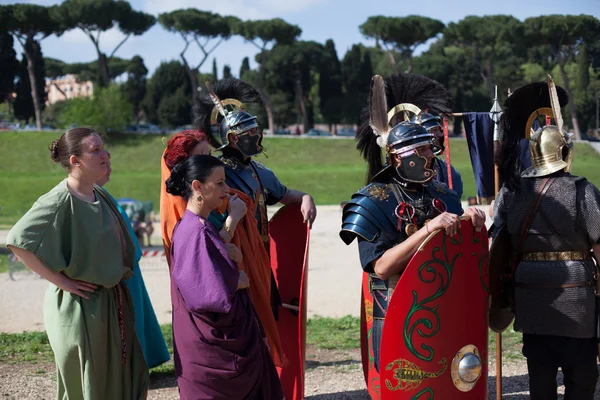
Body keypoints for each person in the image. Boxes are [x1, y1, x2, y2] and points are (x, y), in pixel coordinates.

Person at [340, 73, 486, 372]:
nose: (430, 156)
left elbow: (454, 242)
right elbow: (380, 267)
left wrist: (469, 221)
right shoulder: (372, 200)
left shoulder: (442, 193)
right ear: (397, 157)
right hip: (395, 305)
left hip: (442, 304)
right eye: (420, 150)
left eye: (429, 148)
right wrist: (429, 229)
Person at [6, 127, 148, 399]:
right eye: (95, 150)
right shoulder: (60, 199)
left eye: (103, 148)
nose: (105, 155)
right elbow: (17, 241)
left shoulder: (99, 194)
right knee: (89, 387)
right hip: (81, 308)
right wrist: (61, 281)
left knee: (122, 381)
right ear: (75, 160)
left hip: (110, 302)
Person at [493, 80, 600, 400]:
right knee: (582, 374)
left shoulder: (511, 190)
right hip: (576, 293)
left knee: (540, 375)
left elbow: (499, 242)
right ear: (563, 152)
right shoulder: (582, 190)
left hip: (529, 290)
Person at [160, 129, 285, 366]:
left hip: (237, 284)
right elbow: (200, 254)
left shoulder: (219, 196)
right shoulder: (180, 207)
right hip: (218, 299)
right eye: (201, 155)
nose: (209, 160)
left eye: (210, 153)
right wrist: (232, 222)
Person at [193, 78, 317, 250]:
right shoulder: (217, 173)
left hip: (261, 252)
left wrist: (306, 198)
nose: (258, 135)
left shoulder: (260, 171)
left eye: (257, 130)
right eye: (251, 131)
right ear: (233, 138)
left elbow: (286, 195)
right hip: (235, 252)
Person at [96, 152, 170, 369]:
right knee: (127, 321)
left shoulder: (104, 196)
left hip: (131, 271)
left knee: (138, 317)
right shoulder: (91, 199)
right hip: (118, 273)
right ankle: (130, 369)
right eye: (103, 164)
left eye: (110, 163)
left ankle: (141, 363)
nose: (109, 168)